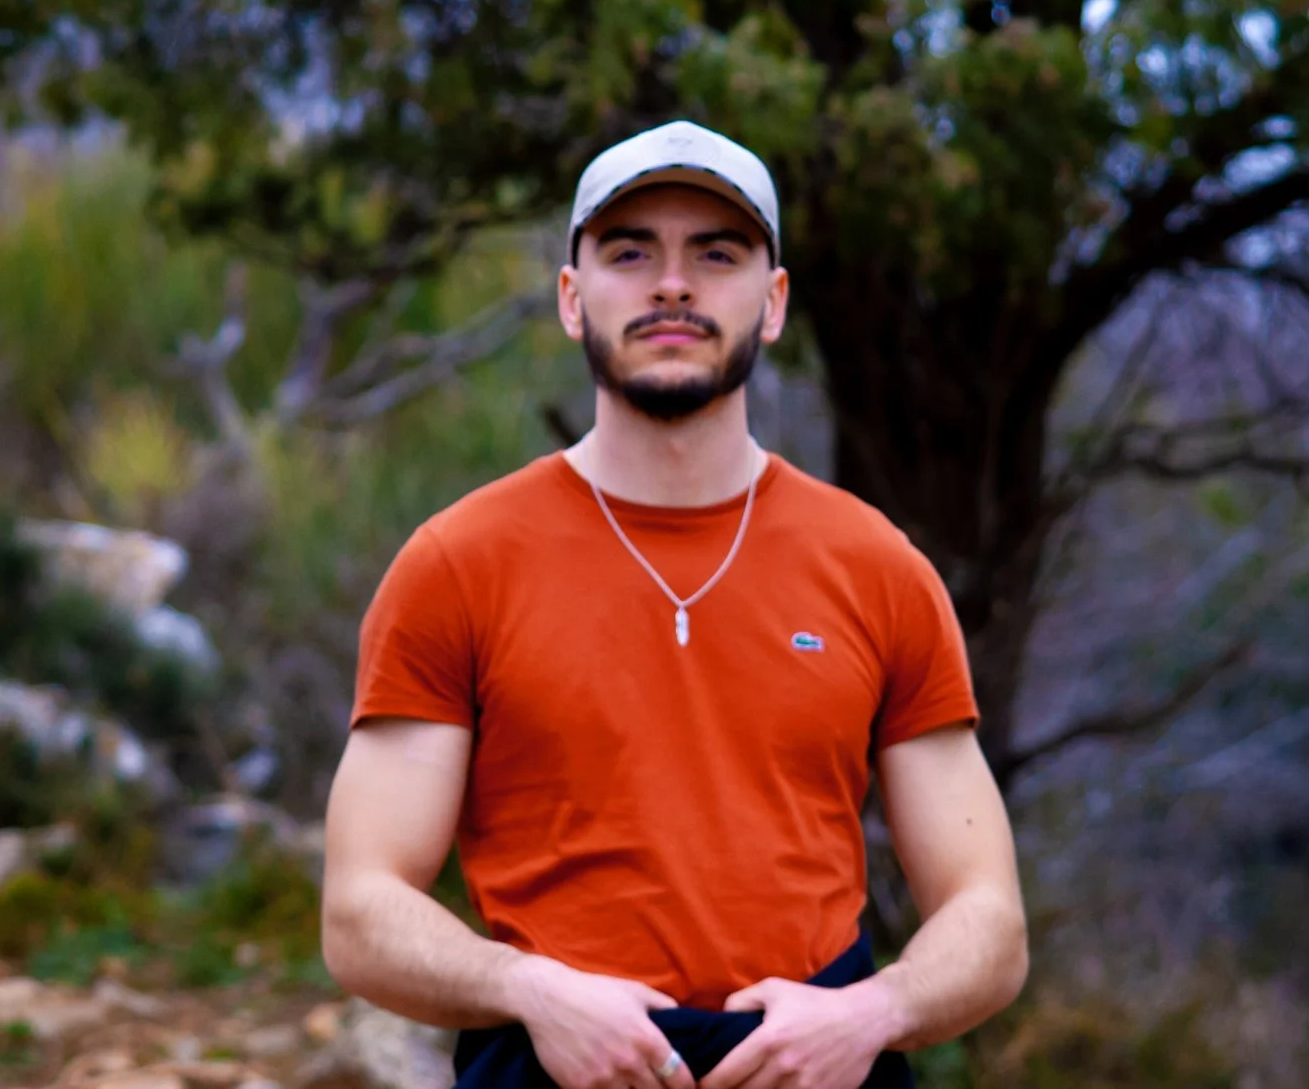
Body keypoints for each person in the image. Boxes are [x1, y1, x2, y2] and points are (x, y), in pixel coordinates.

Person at [322, 122, 1027, 1089]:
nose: (672, 285)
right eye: (629, 253)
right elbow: (359, 909)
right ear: (572, 298)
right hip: (550, 1066)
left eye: (716, 254)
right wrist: (530, 990)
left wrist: (873, 1013)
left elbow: (989, 917)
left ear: (773, 303)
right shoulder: (458, 564)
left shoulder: (877, 568)